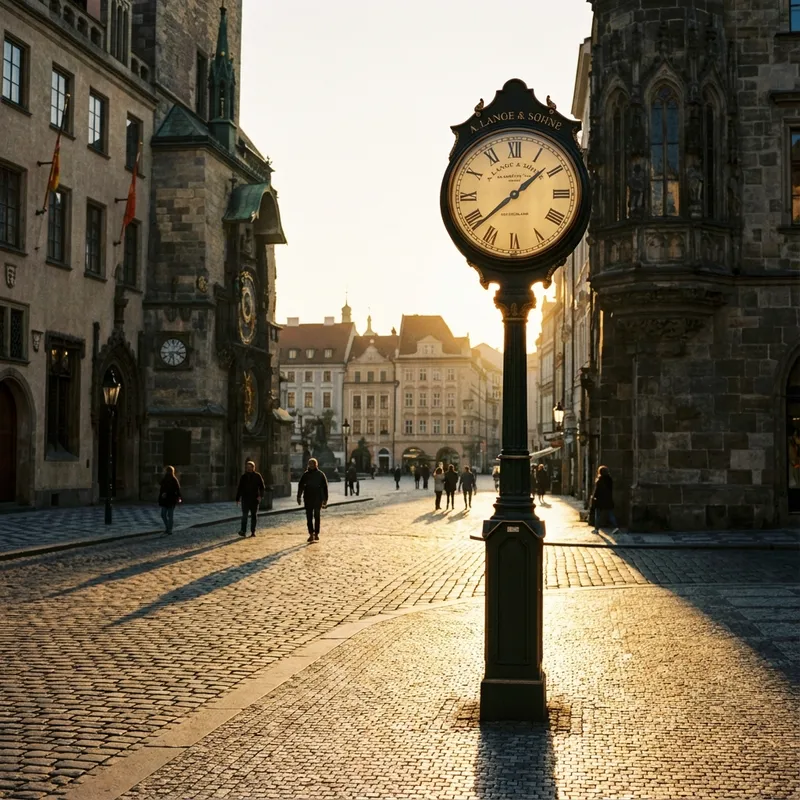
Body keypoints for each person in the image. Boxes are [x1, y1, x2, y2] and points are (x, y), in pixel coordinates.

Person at [297, 457, 329, 543]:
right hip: (308, 497)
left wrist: (325, 499)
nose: (311, 466)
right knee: (309, 517)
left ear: (316, 465)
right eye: (310, 464)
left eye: (313, 464)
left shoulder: (320, 474)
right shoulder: (306, 475)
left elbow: (325, 487)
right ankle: (311, 533)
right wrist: (299, 496)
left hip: (318, 498)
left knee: (317, 516)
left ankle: (316, 534)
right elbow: (301, 486)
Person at [236, 459, 266, 537]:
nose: (248, 468)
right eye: (247, 467)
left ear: (253, 468)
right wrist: (237, 498)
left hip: (254, 499)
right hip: (245, 499)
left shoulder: (257, 476)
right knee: (244, 516)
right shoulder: (243, 477)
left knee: (253, 516)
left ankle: (253, 531)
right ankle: (243, 531)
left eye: (250, 467)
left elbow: (262, 487)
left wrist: (260, 496)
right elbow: (240, 488)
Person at [590, 465, 620, 535]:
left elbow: (597, 491)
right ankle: (616, 527)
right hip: (608, 500)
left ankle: (596, 529)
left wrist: (593, 497)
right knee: (610, 514)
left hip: (600, 501)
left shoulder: (599, 480)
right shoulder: (610, 480)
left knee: (598, 515)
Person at [158, 465, 182, 535]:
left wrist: (179, 497)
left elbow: (177, 490)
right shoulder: (165, 479)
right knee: (163, 514)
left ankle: (169, 529)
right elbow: (161, 486)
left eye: (169, 471)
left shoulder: (174, 480)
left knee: (169, 515)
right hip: (165, 500)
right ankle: (168, 528)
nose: (168, 473)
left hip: (171, 500)